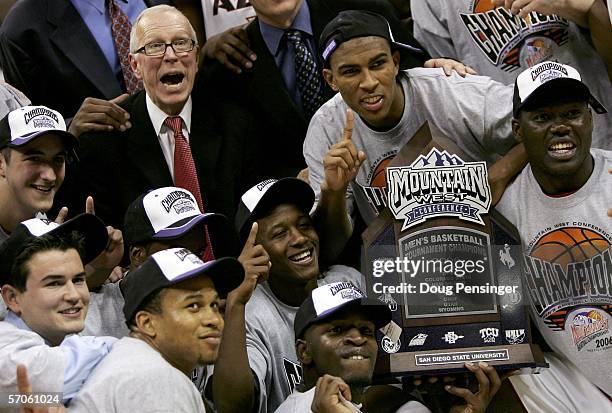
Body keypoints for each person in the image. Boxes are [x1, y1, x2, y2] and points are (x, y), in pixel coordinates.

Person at [303, 10, 535, 247]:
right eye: (351, 71)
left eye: (378, 64)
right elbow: (331, 246)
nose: (369, 82)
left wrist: (500, 173)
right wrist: (334, 192)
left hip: (493, 247)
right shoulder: (327, 129)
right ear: (331, 79)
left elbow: (550, 117)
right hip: (405, 266)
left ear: (395, 62)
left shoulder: (450, 91)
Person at [68, 5, 258, 233]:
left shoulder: (235, 120)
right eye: (155, 46)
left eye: (181, 43)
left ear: (196, 59)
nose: (171, 55)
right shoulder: (106, 139)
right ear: (135, 65)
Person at [198, 0, 433, 179]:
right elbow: (242, 166)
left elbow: (418, 79)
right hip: (304, 215)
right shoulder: (228, 64)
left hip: (398, 178)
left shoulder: (366, 10)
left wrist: (438, 69)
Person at [494, 61, 612, 409]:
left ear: (591, 119)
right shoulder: (505, 212)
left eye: (573, 113)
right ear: (518, 129)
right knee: (513, 374)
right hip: (585, 388)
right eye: (542, 118)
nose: (560, 127)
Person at [212, 178, 365, 413]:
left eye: (304, 225)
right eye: (280, 233)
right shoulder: (252, 315)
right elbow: (231, 408)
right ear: (256, 252)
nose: (299, 238)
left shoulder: (347, 281)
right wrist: (236, 303)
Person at [410, 0, 612, 149]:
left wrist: (573, 5)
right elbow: (456, 93)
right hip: (520, 151)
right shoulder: (430, 3)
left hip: (599, 130)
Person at [275, 282, 503, 413]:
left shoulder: (401, 405)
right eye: (337, 330)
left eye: (366, 331)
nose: (357, 338)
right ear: (304, 351)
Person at [67, 247, 244, 413]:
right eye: (194, 306)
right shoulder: (155, 380)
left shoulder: (138, 363)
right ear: (146, 323)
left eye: (214, 305)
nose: (215, 320)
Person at [0, 214, 116, 408]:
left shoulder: (62, 338)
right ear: (13, 298)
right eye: (54, 283)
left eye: (78, 280)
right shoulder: (6, 353)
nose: (73, 295)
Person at [0, 0, 170, 120]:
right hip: (94, 162)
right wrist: (71, 127)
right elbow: (25, 131)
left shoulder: (159, 4)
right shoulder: (21, 29)